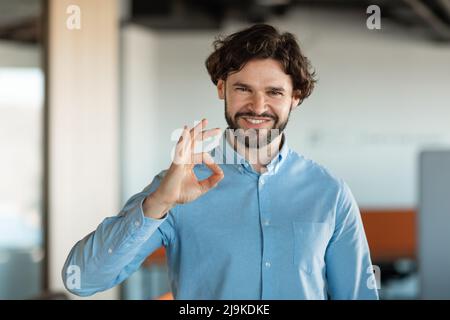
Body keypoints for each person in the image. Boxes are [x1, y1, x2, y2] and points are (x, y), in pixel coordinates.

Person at [62, 24, 379, 300]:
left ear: (295, 97)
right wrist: (159, 202)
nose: (258, 106)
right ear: (221, 88)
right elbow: (82, 280)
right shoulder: (177, 185)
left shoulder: (330, 193)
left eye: (274, 92)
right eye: (243, 89)